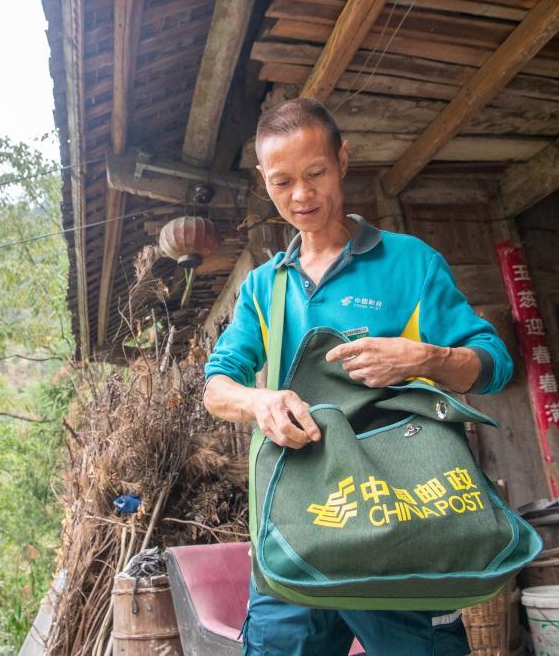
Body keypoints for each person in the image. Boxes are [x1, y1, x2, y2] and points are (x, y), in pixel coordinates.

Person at [202, 98, 514, 656]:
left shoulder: (410, 262)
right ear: (264, 181)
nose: (302, 195)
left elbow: (493, 364)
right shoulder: (263, 286)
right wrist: (260, 402)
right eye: (283, 182)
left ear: (343, 160)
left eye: (316, 173)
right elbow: (217, 386)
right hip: (298, 526)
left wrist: (422, 358)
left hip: (401, 521)